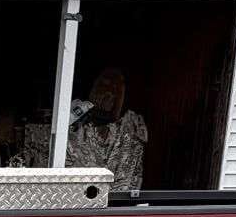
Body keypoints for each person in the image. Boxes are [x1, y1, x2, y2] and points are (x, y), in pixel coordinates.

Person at [13, 68, 148, 189]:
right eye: (104, 85)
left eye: (118, 88)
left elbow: (134, 186)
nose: (111, 93)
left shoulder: (131, 135)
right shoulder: (62, 130)